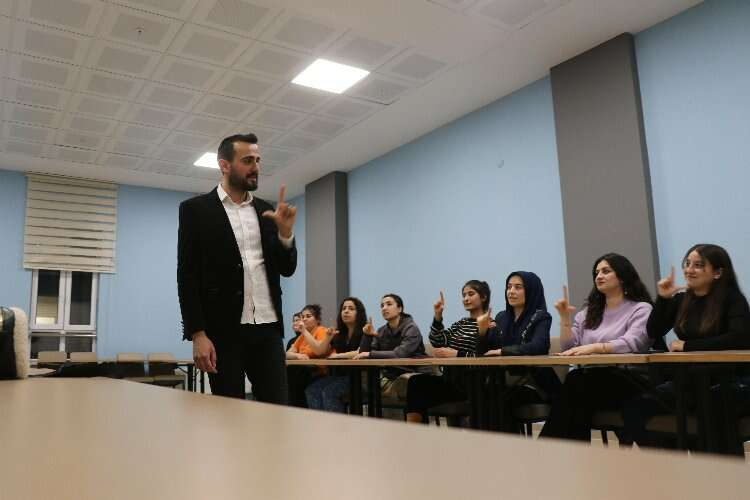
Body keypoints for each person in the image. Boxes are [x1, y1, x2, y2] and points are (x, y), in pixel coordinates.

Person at [177, 133, 296, 403]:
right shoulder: (195, 210)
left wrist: (285, 235)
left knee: (277, 412)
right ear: (224, 165)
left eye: (258, 160)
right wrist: (197, 334)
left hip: (267, 329)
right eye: (247, 160)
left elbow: (287, 269)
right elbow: (187, 276)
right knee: (228, 414)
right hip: (223, 332)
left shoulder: (266, 211)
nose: (256, 167)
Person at [623, 244, 750, 454]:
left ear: (718, 273)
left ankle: (719, 468)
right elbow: (654, 330)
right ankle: (669, 460)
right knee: (636, 407)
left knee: (710, 406)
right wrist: (663, 299)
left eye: (698, 265)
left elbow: (739, 338)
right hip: (689, 381)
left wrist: (687, 346)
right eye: (687, 264)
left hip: (729, 380)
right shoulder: (682, 299)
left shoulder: (732, 299)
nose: (689, 270)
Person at [539, 253, 653, 440]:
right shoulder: (588, 313)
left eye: (606, 271)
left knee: (576, 383)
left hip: (629, 379)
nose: (599, 276)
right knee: (577, 390)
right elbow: (569, 347)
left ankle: (551, 447)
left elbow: (633, 343)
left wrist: (594, 348)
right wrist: (564, 318)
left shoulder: (641, 309)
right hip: (592, 381)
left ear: (622, 276)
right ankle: (566, 449)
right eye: (597, 272)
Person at [478, 272, 559, 431]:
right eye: (509, 287)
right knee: (480, 395)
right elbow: (486, 352)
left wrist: (503, 351)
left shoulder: (541, 317)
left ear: (531, 290)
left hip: (534, 382)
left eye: (518, 287)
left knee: (501, 399)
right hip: (505, 382)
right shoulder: (502, 317)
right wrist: (482, 332)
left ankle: (508, 445)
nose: (511, 291)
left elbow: (539, 346)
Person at [405, 281, 491, 423]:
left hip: (473, 384)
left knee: (420, 391)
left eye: (471, 294)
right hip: (451, 380)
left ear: (483, 297)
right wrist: (438, 316)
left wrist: (456, 354)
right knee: (415, 381)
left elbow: (486, 359)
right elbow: (438, 340)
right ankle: (413, 432)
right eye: (464, 295)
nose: (466, 298)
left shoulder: (490, 324)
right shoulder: (461, 324)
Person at [354, 293, 429, 402]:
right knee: (363, 374)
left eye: (389, 304)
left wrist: (370, 354)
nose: (384, 308)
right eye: (382, 306)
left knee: (401, 381)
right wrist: (367, 336)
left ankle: (389, 389)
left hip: (415, 373)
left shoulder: (411, 328)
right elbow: (363, 356)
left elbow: (400, 354)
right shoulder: (381, 330)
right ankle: (386, 392)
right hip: (392, 374)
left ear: (399, 309)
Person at [305, 297, 373, 412]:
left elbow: (361, 351)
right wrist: (327, 338)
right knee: (311, 390)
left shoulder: (366, 330)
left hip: (361, 378)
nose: (346, 311)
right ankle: (320, 422)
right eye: (344, 308)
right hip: (341, 377)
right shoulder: (339, 333)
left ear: (359, 313)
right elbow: (319, 351)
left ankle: (336, 423)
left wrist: (338, 356)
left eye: (351, 308)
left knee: (329, 392)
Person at [286, 304, 334, 407]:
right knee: (289, 373)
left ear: (317, 320)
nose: (304, 319)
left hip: (319, 372)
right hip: (304, 371)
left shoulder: (321, 330)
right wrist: (297, 356)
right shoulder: (303, 336)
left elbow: (319, 350)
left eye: (308, 316)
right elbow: (287, 354)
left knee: (295, 377)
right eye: (303, 317)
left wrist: (304, 331)